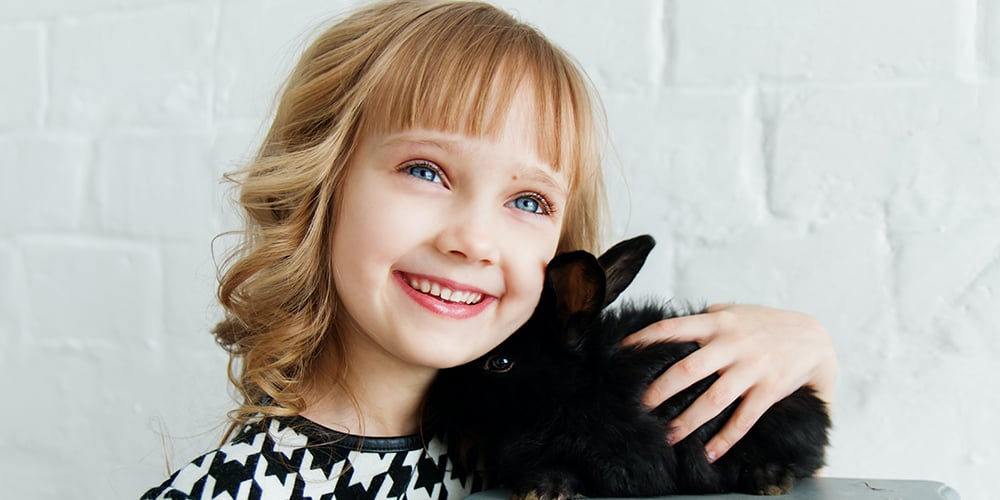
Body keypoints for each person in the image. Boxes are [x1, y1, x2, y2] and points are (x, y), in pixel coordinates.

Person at [141, 0, 837, 498]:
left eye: (527, 203)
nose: (474, 239)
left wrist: (808, 357)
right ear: (319, 184)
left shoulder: (541, 432)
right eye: (425, 171)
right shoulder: (237, 489)